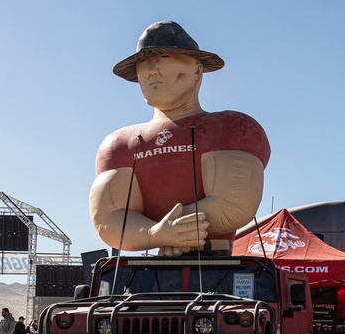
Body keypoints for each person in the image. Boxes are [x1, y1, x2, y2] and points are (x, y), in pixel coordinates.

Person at [90, 21, 270, 256]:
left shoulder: (231, 128)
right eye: (143, 62)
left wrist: (170, 231)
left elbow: (234, 203)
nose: (152, 69)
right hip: (149, 273)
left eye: (164, 57)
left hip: (217, 266)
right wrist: (156, 234)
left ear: (197, 71)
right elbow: (109, 218)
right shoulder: (119, 144)